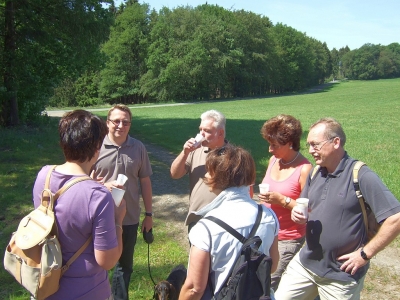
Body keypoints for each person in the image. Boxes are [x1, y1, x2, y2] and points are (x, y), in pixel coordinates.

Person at [275, 117, 400, 300]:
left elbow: (395, 218)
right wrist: (297, 212)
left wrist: (365, 254)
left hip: (341, 276)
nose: (310, 151)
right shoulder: (316, 172)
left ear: (335, 142)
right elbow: (304, 204)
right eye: (309, 145)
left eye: (315, 145)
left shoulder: (361, 175)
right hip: (305, 265)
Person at [32, 110, 126, 300]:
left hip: (45, 284)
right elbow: (107, 261)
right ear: (97, 147)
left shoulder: (44, 175)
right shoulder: (98, 196)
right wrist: (118, 220)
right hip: (86, 290)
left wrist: (89, 184)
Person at [179, 144, 279, 300]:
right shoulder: (268, 216)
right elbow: (272, 266)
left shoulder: (205, 228)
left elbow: (194, 288)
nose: (205, 176)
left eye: (209, 171)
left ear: (221, 177)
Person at [91, 104, 153, 300]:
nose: (120, 125)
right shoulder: (95, 147)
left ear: (130, 124)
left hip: (129, 218)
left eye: (125, 122)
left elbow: (145, 181)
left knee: (124, 266)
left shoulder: (138, 147)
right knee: (95, 264)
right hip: (97, 217)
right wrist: (97, 185)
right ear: (107, 123)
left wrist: (149, 215)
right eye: (116, 121)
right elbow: (81, 179)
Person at [258, 114, 312, 291]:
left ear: (289, 143)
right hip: (266, 233)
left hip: (288, 238)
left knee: (270, 283)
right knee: (259, 278)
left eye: (274, 145)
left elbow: (309, 210)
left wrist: (282, 200)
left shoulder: (304, 169)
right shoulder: (274, 161)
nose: (269, 149)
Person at [170, 110, 227, 231]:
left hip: (223, 221)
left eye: (207, 131)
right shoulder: (194, 151)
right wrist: (184, 153)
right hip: (197, 219)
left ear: (220, 133)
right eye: (200, 129)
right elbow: (175, 174)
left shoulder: (233, 156)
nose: (201, 134)